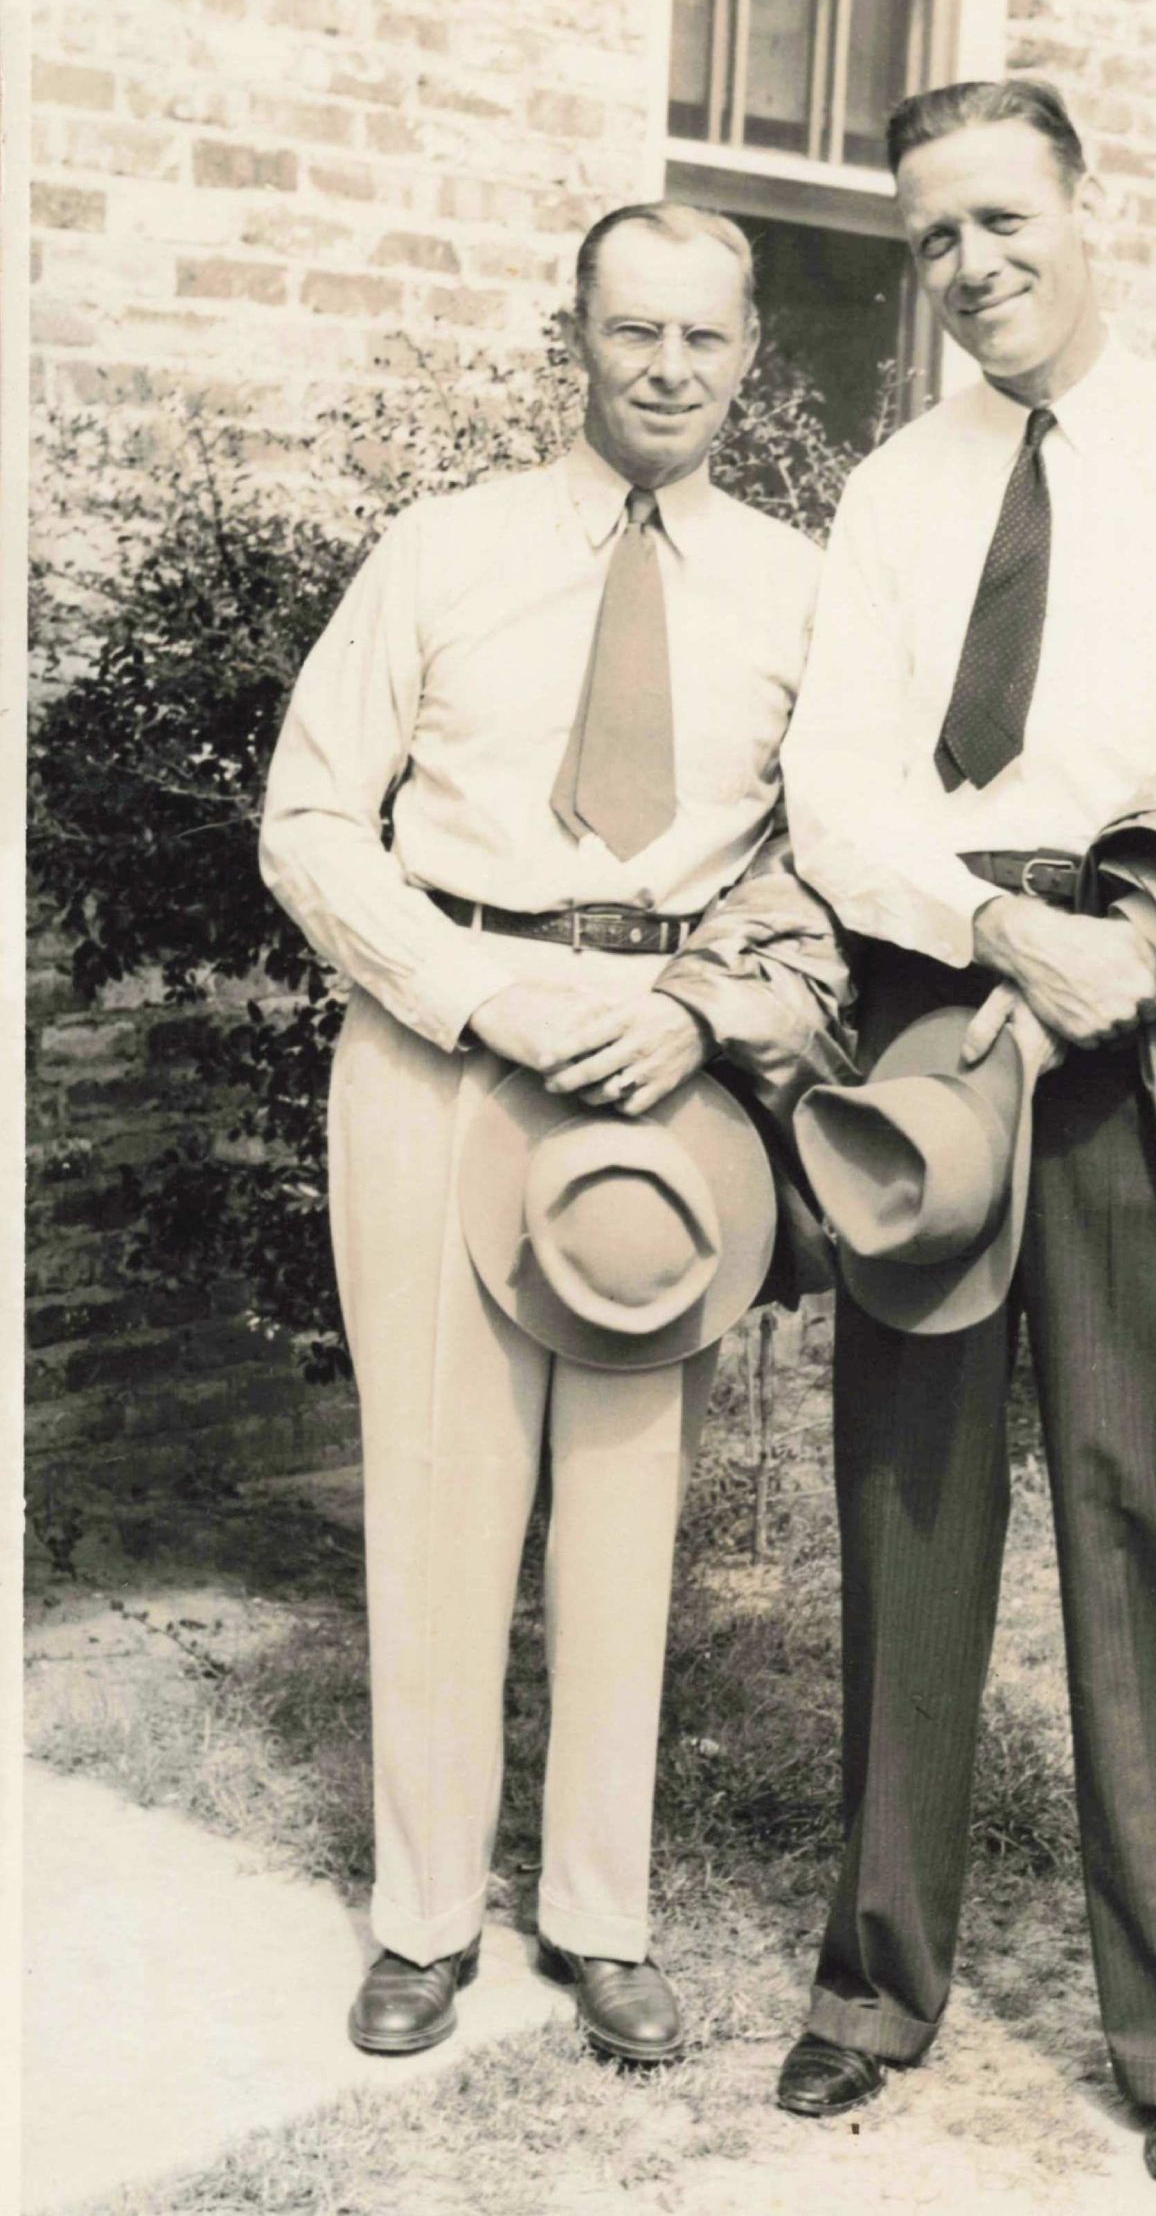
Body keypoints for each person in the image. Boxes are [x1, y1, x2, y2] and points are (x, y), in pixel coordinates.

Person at [776, 79, 1156, 2190]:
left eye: (1001, 219)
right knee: (909, 1504)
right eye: (933, 235)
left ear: (1083, 206)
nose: (971, 267)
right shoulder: (891, 493)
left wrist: (1128, 933)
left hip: (1151, 1023)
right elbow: (836, 789)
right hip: (933, 1019)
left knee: (1150, 1524)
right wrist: (981, 934)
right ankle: (873, 1981)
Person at [260, 201, 848, 2066]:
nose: (666, 368)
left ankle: (604, 1916)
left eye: (703, 337)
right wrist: (474, 995)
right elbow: (310, 821)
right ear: (571, 337)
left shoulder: (801, 588)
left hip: (661, 1064)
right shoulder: (441, 554)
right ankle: (425, 1919)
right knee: (440, 1489)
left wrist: (698, 1008)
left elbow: (827, 856)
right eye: (631, 332)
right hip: (449, 1043)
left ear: (751, 356)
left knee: (623, 1494)